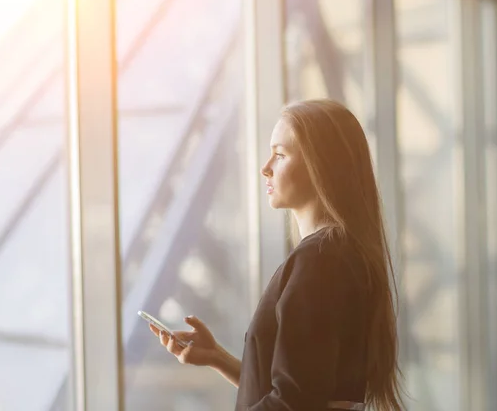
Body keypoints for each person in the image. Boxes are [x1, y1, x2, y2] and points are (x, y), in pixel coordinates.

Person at [147, 99, 404, 410]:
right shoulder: (339, 254)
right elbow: (302, 388)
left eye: (280, 155)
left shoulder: (319, 261)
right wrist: (217, 357)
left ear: (319, 165)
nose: (265, 167)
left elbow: (295, 402)